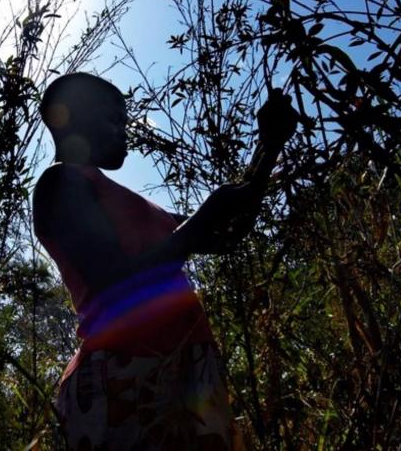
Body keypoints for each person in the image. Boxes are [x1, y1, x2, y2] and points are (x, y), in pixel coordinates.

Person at [33, 72, 297, 450]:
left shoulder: (134, 203)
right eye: (115, 120)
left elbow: (225, 233)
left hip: (185, 371)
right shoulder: (59, 185)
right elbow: (112, 279)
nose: (126, 132)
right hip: (125, 374)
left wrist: (268, 148)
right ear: (70, 117)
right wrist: (206, 215)